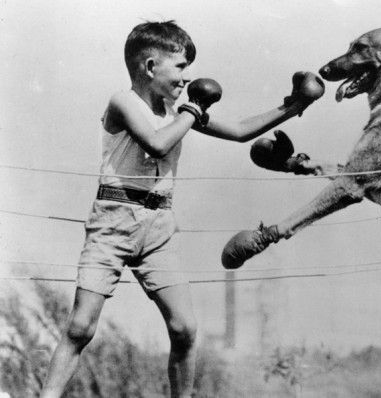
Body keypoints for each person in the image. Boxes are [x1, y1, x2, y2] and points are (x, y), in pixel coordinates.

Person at [40, 20, 324, 398]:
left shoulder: (179, 110)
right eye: (180, 67)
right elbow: (157, 144)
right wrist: (191, 112)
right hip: (113, 221)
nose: (186, 77)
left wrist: (292, 107)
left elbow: (239, 131)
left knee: (184, 329)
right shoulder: (123, 102)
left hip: (159, 228)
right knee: (80, 327)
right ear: (149, 67)